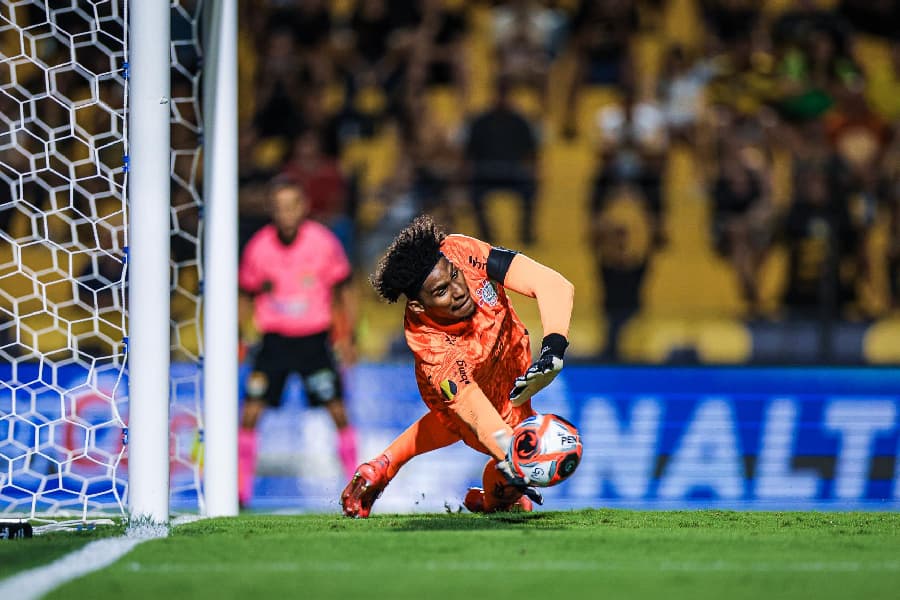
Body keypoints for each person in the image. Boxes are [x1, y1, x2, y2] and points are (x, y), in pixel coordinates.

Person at [340, 215, 574, 518]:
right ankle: (493, 502)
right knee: (505, 460)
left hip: (510, 360)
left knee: (495, 444)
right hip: (467, 389)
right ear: (417, 306)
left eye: (454, 276)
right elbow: (474, 410)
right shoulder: (433, 350)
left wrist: (554, 350)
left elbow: (553, 284)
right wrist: (512, 455)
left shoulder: (461, 252)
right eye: (441, 291)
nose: (459, 290)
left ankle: (382, 466)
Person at [238, 180, 358, 508]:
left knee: (338, 411)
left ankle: (359, 486)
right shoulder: (258, 248)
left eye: (292, 205)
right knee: (249, 412)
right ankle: (240, 491)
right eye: (279, 206)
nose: (286, 213)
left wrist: (348, 337)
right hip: (273, 341)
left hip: (314, 342)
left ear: (303, 207)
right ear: (271, 210)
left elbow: (344, 290)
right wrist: (240, 336)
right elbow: (246, 295)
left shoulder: (323, 243)